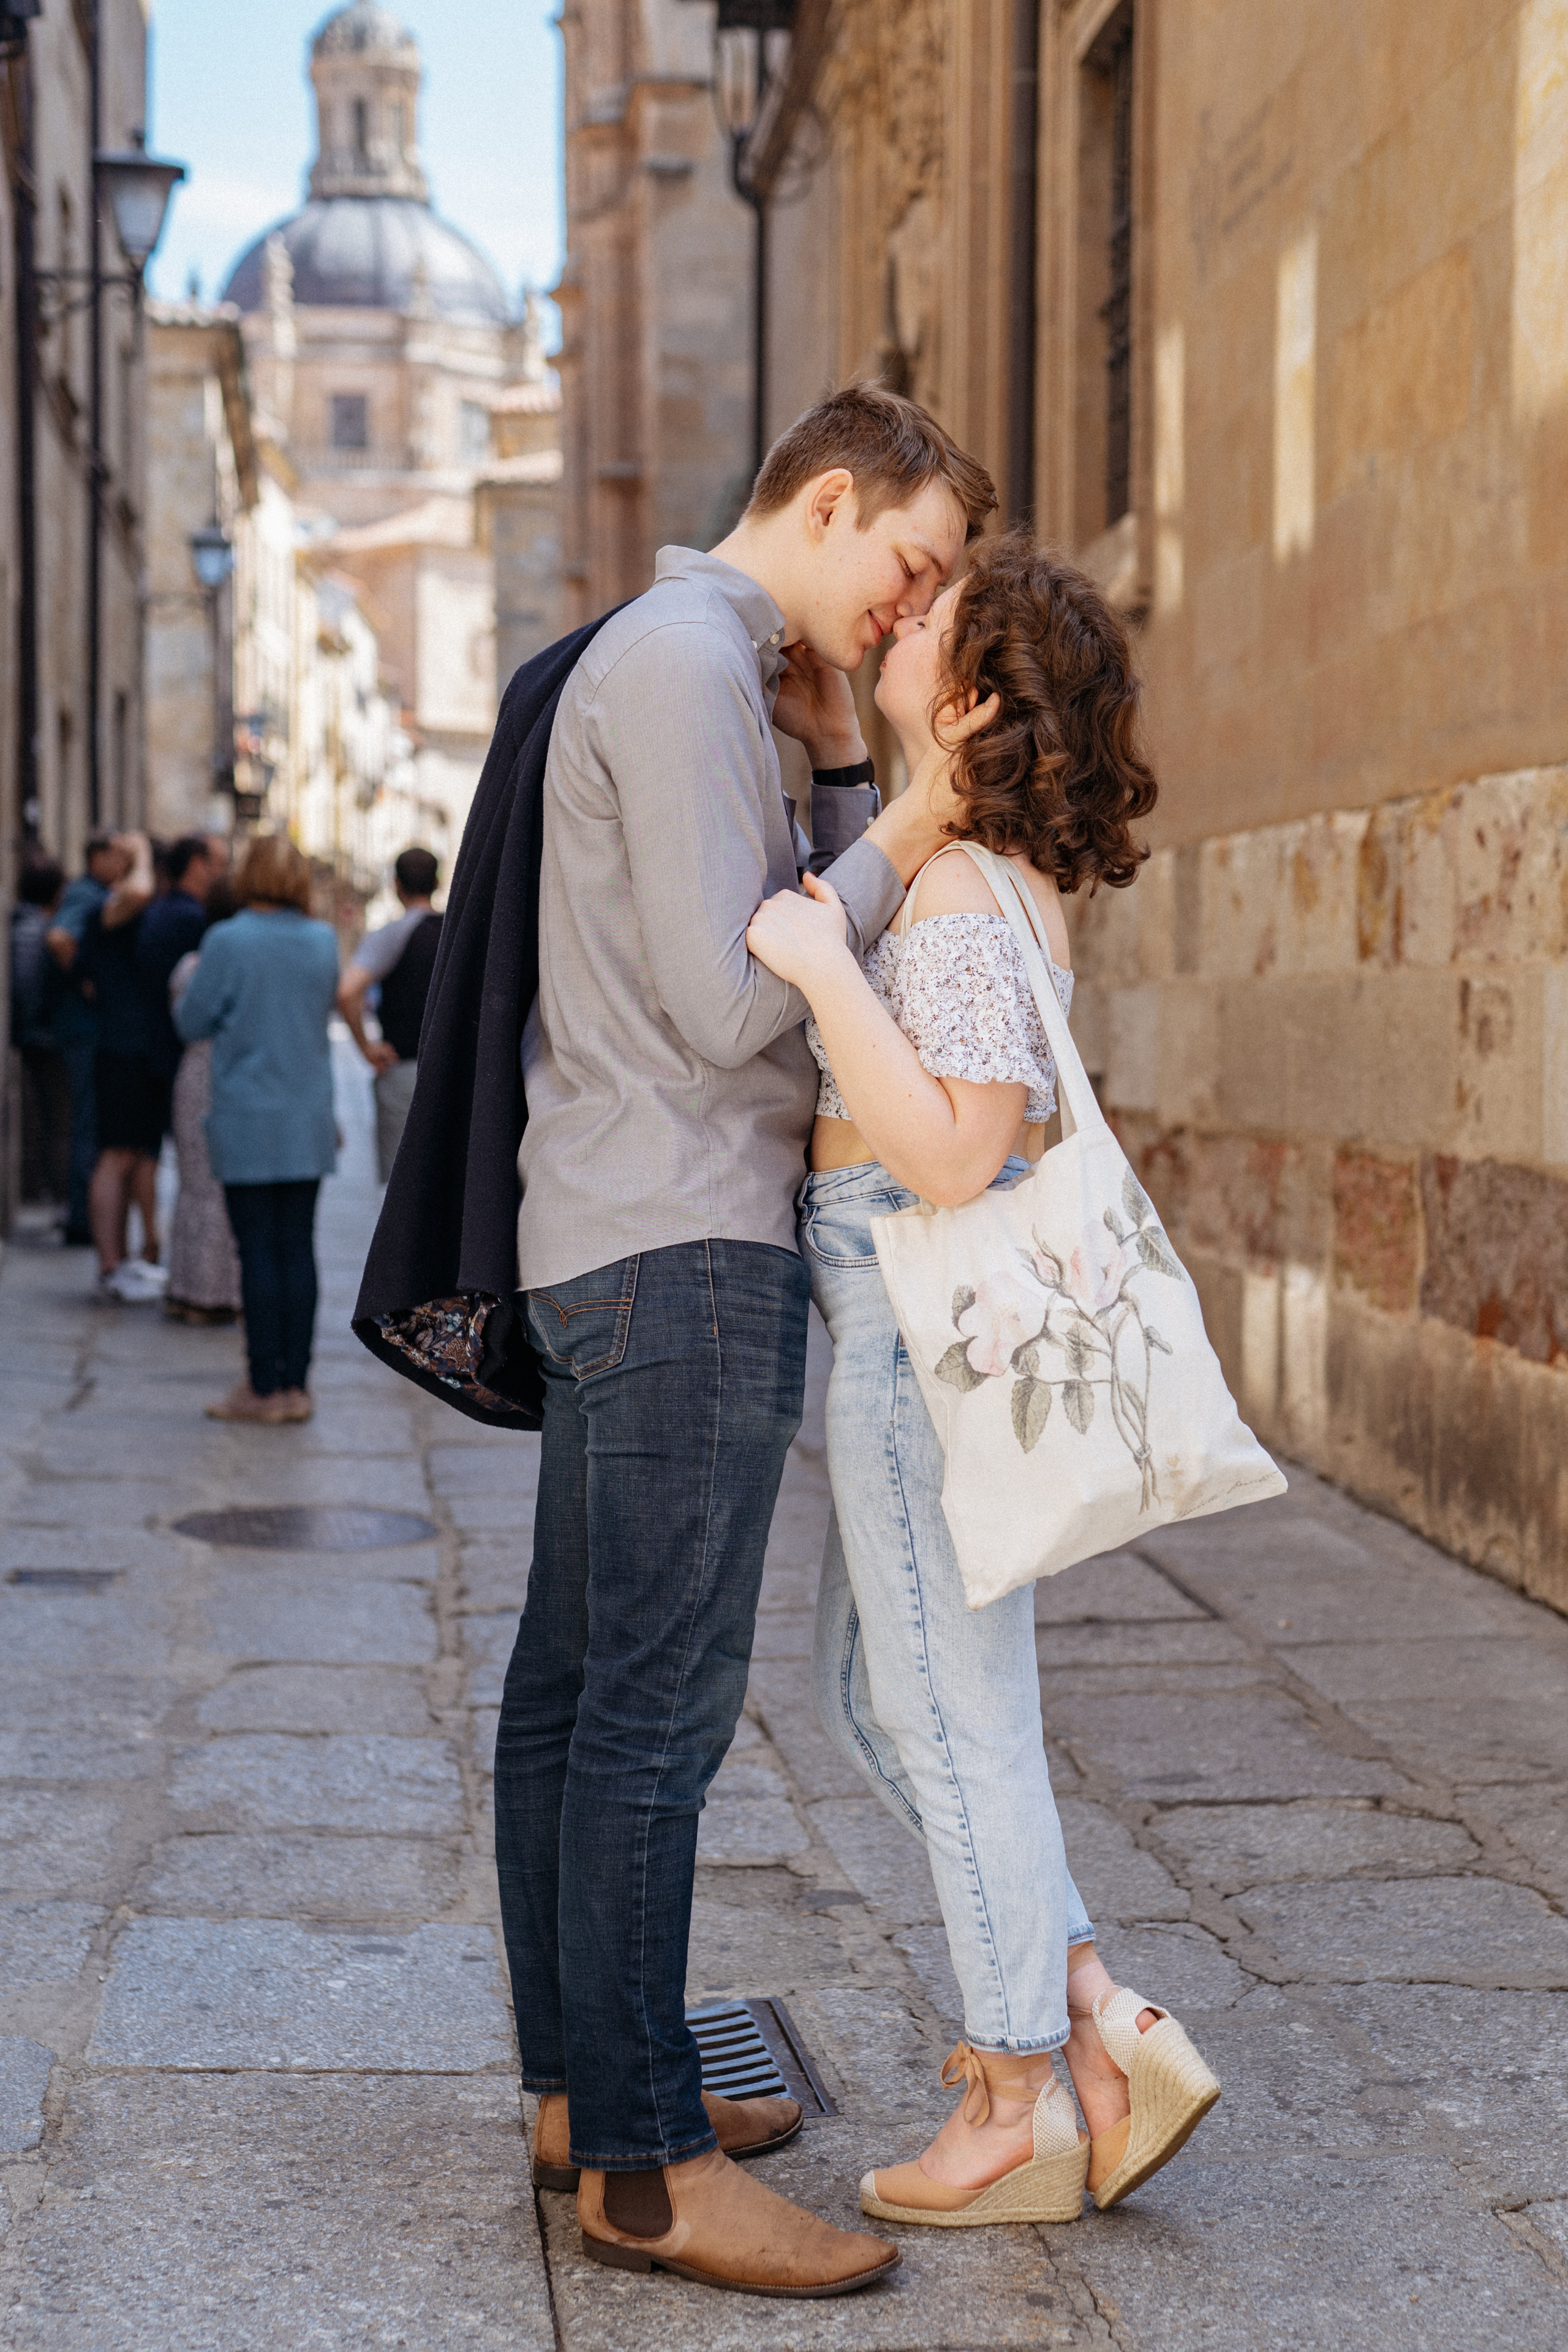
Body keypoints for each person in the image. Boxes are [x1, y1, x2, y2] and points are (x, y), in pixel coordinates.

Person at [495, 385, 1000, 2300]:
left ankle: (578, 2083)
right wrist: (912, 820)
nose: (907, 608)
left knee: (568, 1689)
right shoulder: (691, 654)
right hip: (682, 1244)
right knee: (651, 1713)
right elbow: (735, 998)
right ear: (836, 497)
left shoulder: (681, 653)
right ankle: (642, 2158)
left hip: (611, 1231)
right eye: (912, 564)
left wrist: (834, 793)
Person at [744, 529, 1219, 2230]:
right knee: (888, 1699)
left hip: (908, 1308)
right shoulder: (993, 876)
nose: (901, 606)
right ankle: (1098, 2018)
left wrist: (810, 964)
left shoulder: (953, 896)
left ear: (969, 692)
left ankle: (1019, 2091)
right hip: (908, 1313)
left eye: (930, 611)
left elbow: (950, 1152)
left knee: (950, 1714)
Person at [175, 834, 339, 1422]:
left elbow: (192, 1019)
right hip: (307, 1117)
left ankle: (261, 1386)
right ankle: (296, 1386)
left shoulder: (228, 940)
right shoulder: (323, 941)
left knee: (258, 1253)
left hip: (247, 1116)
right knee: (299, 1249)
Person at [71, 831, 165, 1301]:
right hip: (121, 1048)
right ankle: (110, 1263)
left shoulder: (117, 912)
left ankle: (121, 1259)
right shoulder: (105, 910)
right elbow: (141, 891)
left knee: (130, 1156)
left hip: (132, 1046)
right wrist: (141, 855)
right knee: (115, 1156)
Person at [164, 873, 244, 1325]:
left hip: (196, 1073)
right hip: (221, 1072)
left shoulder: (190, 966)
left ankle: (190, 1287)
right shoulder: (216, 964)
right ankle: (221, 1291)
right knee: (217, 1185)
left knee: (196, 1184)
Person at [337, 845, 442, 1183]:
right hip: (457, 1073)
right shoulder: (459, 932)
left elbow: (348, 991)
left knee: (402, 1185)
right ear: (437, 882)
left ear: (396, 884)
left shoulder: (392, 934)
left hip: (404, 1069)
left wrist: (367, 1048)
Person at [45, 831, 124, 1246]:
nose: (124, 866)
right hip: (83, 1028)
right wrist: (87, 980)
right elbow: (59, 938)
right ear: (97, 856)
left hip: (84, 1028)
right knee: (88, 1123)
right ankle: (81, 1218)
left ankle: (81, 1214)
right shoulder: (87, 893)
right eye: (118, 856)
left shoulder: (96, 891)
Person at [10, 856, 70, 1211]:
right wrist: (42, 1026)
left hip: (37, 1034)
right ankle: (59, 1194)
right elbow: (28, 985)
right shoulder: (34, 930)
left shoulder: (31, 924)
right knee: (58, 1119)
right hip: (43, 1036)